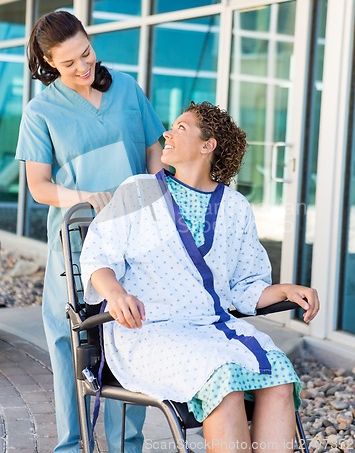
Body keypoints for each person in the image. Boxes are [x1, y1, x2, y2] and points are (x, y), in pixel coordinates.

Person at [80, 101, 320, 452]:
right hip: (149, 331)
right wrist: (114, 293)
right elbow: (99, 254)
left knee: (280, 377)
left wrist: (285, 289)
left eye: (180, 128)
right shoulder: (138, 190)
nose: (167, 133)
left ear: (208, 146)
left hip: (211, 329)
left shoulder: (236, 208)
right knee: (225, 378)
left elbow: (244, 286)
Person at [15, 10, 165, 452]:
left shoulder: (126, 88)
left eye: (87, 53)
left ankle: (126, 446)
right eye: (68, 64)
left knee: (130, 333)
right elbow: (39, 186)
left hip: (136, 240)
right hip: (75, 242)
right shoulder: (40, 111)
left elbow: (153, 152)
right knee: (70, 344)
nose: (84, 68)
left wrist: (156, 194)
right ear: (48, 64)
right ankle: (70, 445)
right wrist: (84, 196)